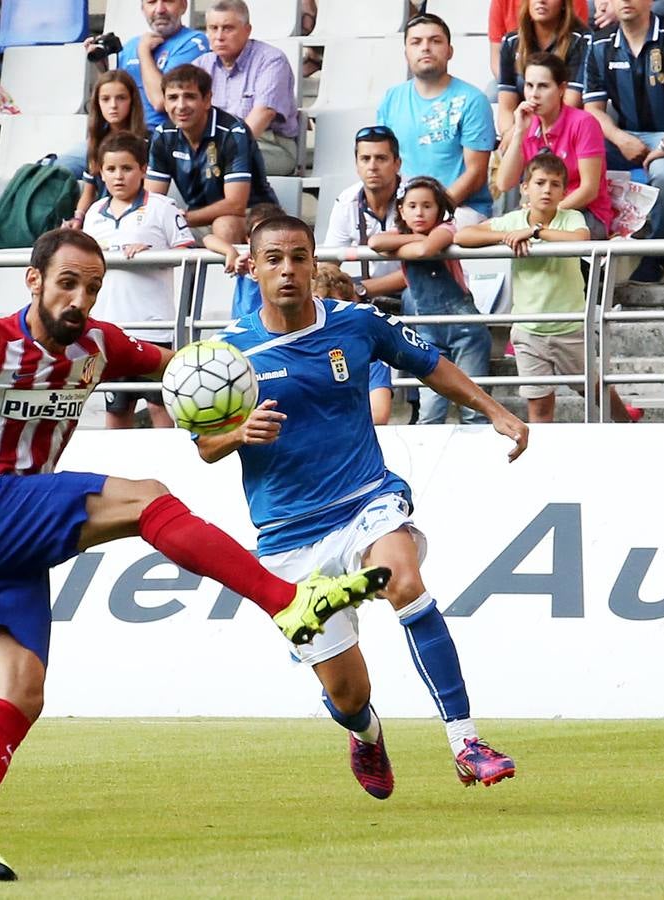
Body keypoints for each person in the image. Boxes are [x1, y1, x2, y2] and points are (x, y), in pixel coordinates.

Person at [0, 228, 389, 882]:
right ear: (32, 280)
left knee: (20, 692)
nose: (78, 299)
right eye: (66, 282)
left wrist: (256, 385)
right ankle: (286, 602)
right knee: (145, 499)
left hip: (0, 547)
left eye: (90, 287)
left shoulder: (98, 343)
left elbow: (184, 370)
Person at [202, 214, 524, 801]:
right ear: (252, 267)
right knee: (349, 696)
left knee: (405, 581)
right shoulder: (228, 353)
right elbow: (203, 447)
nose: (288, 270)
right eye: (274, 259)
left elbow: (431, 364)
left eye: (299, 256)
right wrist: (237, 433)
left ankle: (466, 741)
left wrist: (493, 409)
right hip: (288, 535)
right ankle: (366, 735)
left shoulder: (355, 322)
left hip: (365, 500)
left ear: (312, 260)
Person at [458, 151, 639, 423]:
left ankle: (628, 425)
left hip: (570, 327)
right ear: (525, 188)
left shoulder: (571, 217)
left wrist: (535, 233)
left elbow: (581, 240)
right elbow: (464, 235)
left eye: (555, 185)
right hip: (529, 331)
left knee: (595, 389)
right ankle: (541, 462)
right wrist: (507, 237)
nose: (547, 190)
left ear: (564, 192)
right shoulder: (513, 221)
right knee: (539, 408)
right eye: (540, 183)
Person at [584, 0, 664, 282]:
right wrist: (620, 138)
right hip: (628, 138)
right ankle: (586, 250)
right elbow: (592, 110)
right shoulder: (599, 44)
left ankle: (657, 256)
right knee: (579, 158)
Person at [81, 131, 193, 429]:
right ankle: (113, 473)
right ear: (100, 172)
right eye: (111, 169)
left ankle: (170, 468)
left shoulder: (162, 207)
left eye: (127, 168)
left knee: (161, 406)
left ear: (143, 169)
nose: (119, 177)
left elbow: (188, 251)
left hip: (155, 326)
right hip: (110, 330)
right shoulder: (94, 213)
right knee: (117, 409)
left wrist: (155, 252)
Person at [369, 176, 491, 426]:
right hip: (428, 330)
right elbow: (375, 242)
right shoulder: (404, 233)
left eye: (427, 206)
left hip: (464, 327)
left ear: (440, 209)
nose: (420, 213)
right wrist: (414, 239)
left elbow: (426, 251)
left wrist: (409, 244)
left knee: (474, 409)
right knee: (430, 410)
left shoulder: (446, 229)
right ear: (401, 210)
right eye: (412, 206)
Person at [378, 13, 497, 227]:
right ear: (406, 53)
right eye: (416, 42)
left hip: (461, 209)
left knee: (426, 242)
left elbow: (476, 173)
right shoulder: (391, 99)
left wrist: (434, 211)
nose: (425, 48)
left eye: (435, 41)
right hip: (406, 211)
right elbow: (383, 162)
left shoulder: (472, 100)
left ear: (450, 51)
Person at [144, 64, 277, 245]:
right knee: (150, 227)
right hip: (197, 218)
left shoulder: (233, 132)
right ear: (165, 103)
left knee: (224, 226)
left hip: (251, 216)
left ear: (207, 100)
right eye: (173, 98)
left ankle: (230, 274)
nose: (180, 106)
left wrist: (180, 219)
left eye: (189, 97)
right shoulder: (163, 134)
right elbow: (151, 199)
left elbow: (235, 204)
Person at [497, 52, 612, 240]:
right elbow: (504, 183)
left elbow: (589, 190)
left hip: (584, 213)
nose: (534, 94)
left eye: (543, 86)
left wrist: (548, 215)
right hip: (540, 213)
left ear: (561, 89)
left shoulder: (584, 122)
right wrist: (518, 132)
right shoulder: (526, 124)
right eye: (529, 86)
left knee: (533, 236)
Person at [193, 0, 299, 177]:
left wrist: (222, 151)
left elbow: (263, 114)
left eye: (227, 28)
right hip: (212, 145)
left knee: (215, 164)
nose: (219, 36)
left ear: (247, 30)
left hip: (269, 144)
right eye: (213, 28)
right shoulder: (201, 64)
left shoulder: (271, 60)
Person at [321, 125, 408, 305]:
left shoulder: (418, 196)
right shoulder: (346, 201)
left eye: (381, 158)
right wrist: (334, 288)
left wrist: (361, 288)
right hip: (368, 289)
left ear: (397, 164)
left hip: (418, 288)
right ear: (357, 165)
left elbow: (429, 267)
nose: (372, 166)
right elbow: (328, 264)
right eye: (365, 159)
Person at [313, 262, 394, 424]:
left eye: (337, 308)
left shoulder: (370, 353)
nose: (328, 318)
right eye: (321, 308)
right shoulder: (290, 347)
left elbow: (379, 414)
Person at [108, 0, 209, 130]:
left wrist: (144, 53)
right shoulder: (131, 45)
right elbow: (115, 97)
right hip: (127, 134)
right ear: (143, 8)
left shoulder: (193, 42)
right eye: (151, 2)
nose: (160, 10)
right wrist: (101, 65)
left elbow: (161, 101)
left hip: (166, 136)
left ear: (183, 6)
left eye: (168, 1)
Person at [495, 0, 589, 138]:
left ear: (564, 3)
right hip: (522, 127)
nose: (541, 1)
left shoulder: (581, 41)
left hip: (565, 130)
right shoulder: (512, 41)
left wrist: (521, 129)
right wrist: (509, 134)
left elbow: (571, 102)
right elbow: (506, 107)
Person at [64, 70, 146, 226]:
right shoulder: (95, 141)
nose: (113, 105)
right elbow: (89, 193)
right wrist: (78, 218)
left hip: (137, 219)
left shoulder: (147, 140)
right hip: (102, 220)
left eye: (121, 98)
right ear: (97, 103)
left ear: (132, 100)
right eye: (105, 99)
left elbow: (151, 192)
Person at [488, 0, 588, 79]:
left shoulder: (578, 39)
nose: (541, 1)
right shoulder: (512, 40)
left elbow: (572, 99)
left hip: (563, 84)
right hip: (522, 81)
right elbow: (496, 58)